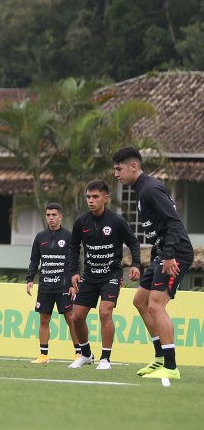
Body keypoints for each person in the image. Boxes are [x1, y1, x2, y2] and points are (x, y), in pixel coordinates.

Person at [113, 146, 194, 380]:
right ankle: (159, 358)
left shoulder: (149, 189)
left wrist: (169, 255)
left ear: (134, 166)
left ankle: (171, 366)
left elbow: (174, 223)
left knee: (156, 305)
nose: (117, 174)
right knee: (140, 301)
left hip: (175, 252)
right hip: (161, 252)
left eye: (119, 169)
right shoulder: (143, 189)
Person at [67, 179, 141, 370]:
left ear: (105, 198)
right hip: (89, 276)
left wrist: (136, 265)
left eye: (95, 197)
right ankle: (86, 354)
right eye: (88, 197)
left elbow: (133, 242)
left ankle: (105, 358)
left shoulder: (116, 221)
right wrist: (74, 272)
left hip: (111, 275)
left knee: (105, 311)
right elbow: (73, 247)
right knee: (76, 317)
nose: (91, 200)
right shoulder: (81, 222)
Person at [25, 202, 80, 363]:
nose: (51, 218)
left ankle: (79, 353)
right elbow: (34, 260)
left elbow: (75, 261)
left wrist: (74, 284)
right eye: (48, 215)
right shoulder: (40, 237)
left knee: (71, 318)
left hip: (64, 286)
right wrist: (29, 279)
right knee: (44, 319)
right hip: (46, 286)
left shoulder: (69, 237)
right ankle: (43, 355)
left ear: (60, 216)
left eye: (54, 215)